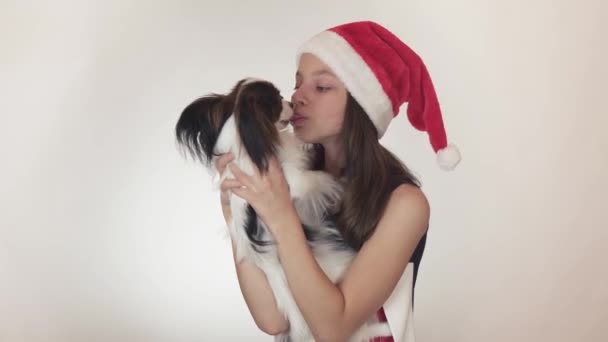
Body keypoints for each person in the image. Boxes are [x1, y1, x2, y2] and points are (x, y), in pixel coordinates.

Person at [216, 21, 461, 341]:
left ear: (363, 102)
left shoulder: (404, 204)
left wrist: (280, 216)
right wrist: (234, 207)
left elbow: (333, 328)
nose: (297, 97)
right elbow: (273, 319)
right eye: (297, 83)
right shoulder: (289, 180)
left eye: (321, 87)